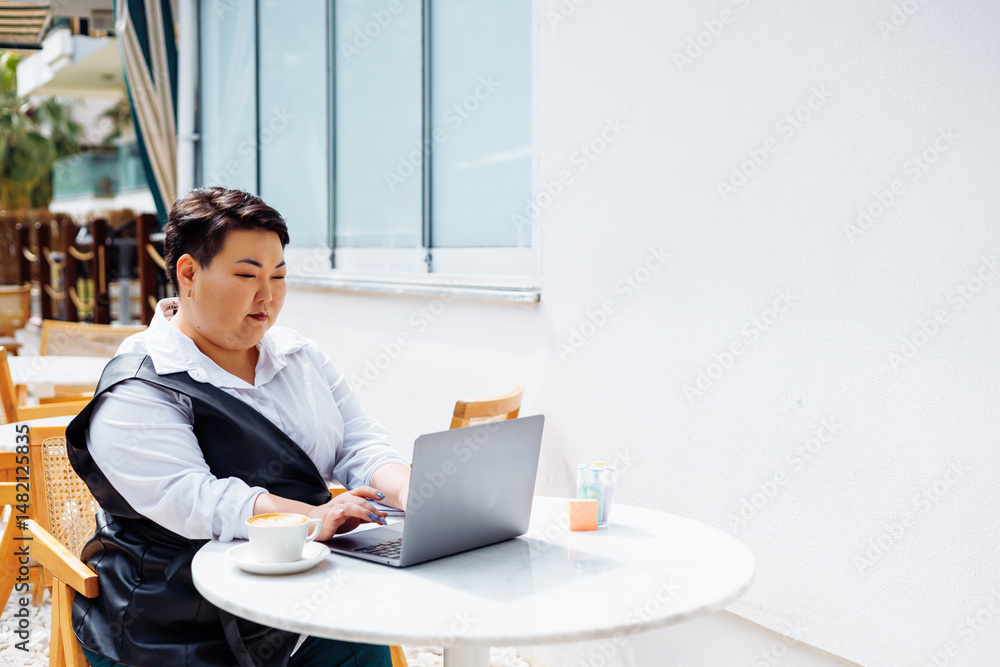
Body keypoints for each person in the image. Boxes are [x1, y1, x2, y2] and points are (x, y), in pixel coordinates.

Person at [66, 187, 411, 666]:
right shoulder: (140, 381)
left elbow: (358, 441)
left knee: (366, 644)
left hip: (296, 596)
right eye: (247, 275)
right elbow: (197, 499)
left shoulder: (299, 356)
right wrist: (312, 518)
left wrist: (412, 492)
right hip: (173, 621)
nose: (268, 296)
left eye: (279, 276)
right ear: (188, 273)